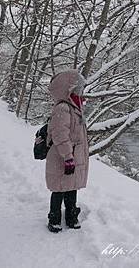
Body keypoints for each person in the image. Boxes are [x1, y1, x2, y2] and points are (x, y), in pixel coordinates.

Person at [45, 69, 89, 233]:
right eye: (77, 87)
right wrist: (68, 157)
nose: (80, 91)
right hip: (61, 156)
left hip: (72, 155)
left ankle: (71, 217)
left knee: (71, 187)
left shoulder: (74, 105)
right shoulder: (63, 108)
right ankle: (54, 219)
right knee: (59, 188)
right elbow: (59, 135)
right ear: (68, 88)